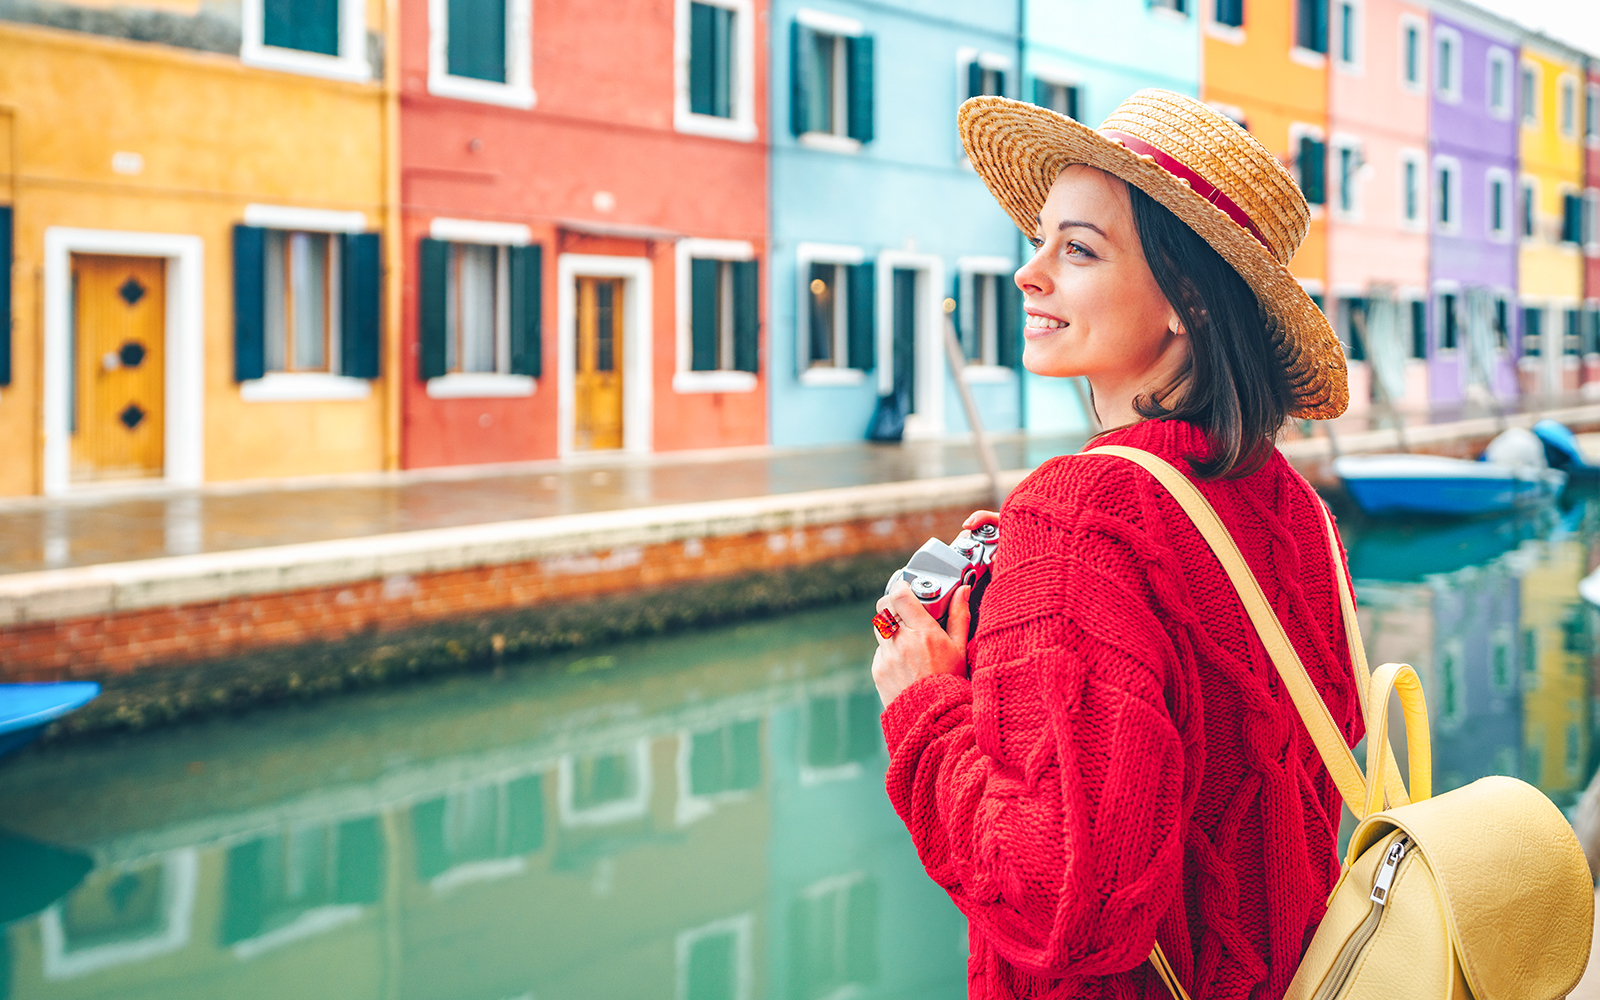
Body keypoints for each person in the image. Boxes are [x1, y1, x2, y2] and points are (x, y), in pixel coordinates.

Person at [868, 90, 1363, 1000]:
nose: (1031, 273)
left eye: (1079, 249)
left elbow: (1069, 909)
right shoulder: (1301, 515)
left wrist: (925, 709)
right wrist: (1026, 633)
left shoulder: (1077, 517)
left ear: (1188, 303)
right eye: (1039, 241)